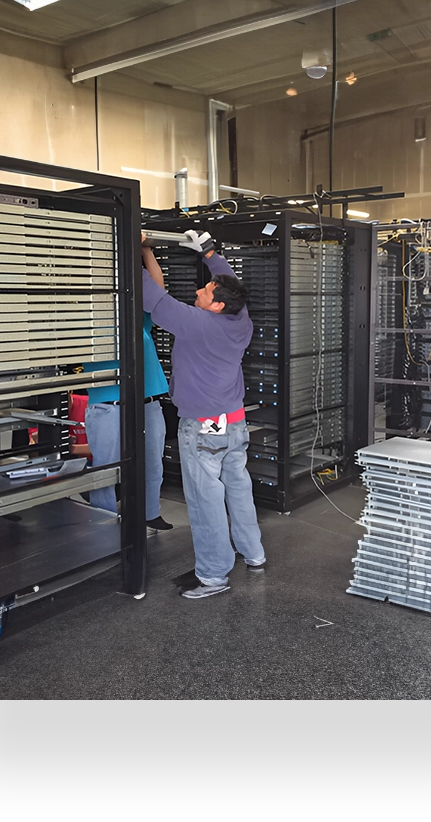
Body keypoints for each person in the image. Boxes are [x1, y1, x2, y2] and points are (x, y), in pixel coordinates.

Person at [141, 229, 266, 599]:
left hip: (203, 429)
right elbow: (232, 288)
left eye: (205, 291)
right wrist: (210, 253)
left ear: (215, 306)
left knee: (205, 499)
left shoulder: (196, 324)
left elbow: (151, 296)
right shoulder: (239, 320)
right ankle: (253, 553)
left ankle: (213, 576)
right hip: (234, 424)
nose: (198, 291)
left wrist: (131, 245)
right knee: (239, 489)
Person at [82, 242, 172, 530]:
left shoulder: (136, 315)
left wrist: (145, 251)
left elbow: (158, 291)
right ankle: (104, 518)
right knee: (106, 467)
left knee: (152, 463)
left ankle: (149, 512)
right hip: (108, 404)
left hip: (147, 401)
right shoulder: (87, 322)